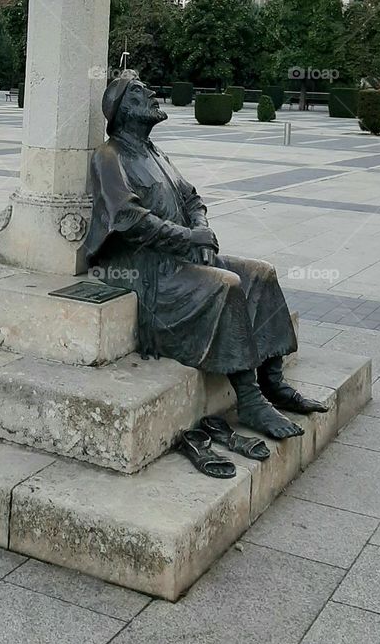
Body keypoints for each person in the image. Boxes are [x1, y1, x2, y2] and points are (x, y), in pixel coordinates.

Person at [88, 74, 327, 440]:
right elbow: (127, 218)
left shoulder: (155, 153)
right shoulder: (109, 157)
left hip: (183, 256)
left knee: (261, 274)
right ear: (122, 111)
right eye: (138, 91)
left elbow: (191, 198)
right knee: (226, 286)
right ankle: (250, 400)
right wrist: (187, 237)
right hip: (147, 269)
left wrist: (200, 232)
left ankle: (272, 381)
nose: (151, 92)